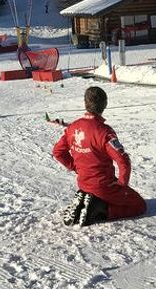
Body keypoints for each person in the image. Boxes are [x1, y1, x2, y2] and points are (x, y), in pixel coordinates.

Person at [52, 87, 146, 226]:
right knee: (139, 205)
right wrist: (121, 184)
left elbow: (58, 152)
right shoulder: (104, 132)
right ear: (105, 104)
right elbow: (123, 161)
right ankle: (101, 210)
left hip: (83, 183)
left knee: (111, 196)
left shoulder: (73, 127)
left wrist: (75, 167)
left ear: (85, 103)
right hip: (104, 185)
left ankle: (89, 198)